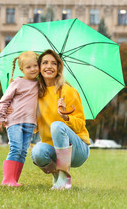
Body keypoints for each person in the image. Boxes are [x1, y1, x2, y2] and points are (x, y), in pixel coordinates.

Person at [30, 49, 90, 190]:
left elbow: (81, 124)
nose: (49, 66)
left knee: (57, 126)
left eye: (53, 63)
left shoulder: (68, 91)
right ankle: (57, 177)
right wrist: (16, 110)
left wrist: (66, 117)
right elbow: (33, 128)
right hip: (53, 151)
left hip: (77, 149)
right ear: (39, 68)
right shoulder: (35, 95)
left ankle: (64, 177)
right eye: (45, 63)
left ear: (58, 68)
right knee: (37, 152)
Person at [0, 51, 39, 187]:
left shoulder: (39, 84)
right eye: (28, 67)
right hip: (14, 121)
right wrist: (0, 117)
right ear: (22, 69)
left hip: (30, 123)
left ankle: (13, 180)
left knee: (23, 151)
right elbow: (3, 101)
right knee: (15, 148)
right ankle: (7, 180)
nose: (33, 69)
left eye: (35, 66)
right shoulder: (17, 83)